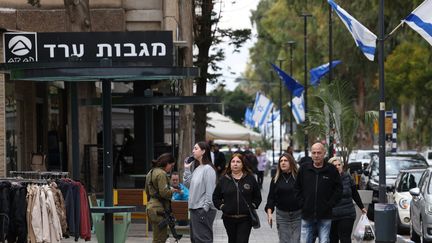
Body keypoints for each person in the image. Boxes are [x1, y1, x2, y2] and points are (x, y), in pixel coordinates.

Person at [294, 142, 342, 243]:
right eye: (314, 153)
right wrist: (302, 204)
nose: (316, 155)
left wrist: (330, 204)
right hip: (307, 214)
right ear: (311, 154)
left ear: (324, 153)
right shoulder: (304, 169)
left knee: (324, 241)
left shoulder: (331, 169)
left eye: (319, 153)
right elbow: (297, 188)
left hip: (325, 215)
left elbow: (338, 189)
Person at [213, 153, 262, 243]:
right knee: (232, 241)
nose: (235, 164)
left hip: (245, 218)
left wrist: (253, 205)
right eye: (233, 161)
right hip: (228, 218)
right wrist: (222, 207)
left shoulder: (250, 178)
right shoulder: (223, 179)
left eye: (238, 162)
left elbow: (257, 197)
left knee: (242, 241)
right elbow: (216, 197)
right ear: (230, 164)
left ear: (243, 164)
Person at [183, 141, 217, 243]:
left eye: (196, 148)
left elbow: (210, 191)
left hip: (202, 209)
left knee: (202, 239)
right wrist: (187, 169)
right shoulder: (198, 168)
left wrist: (205, 208)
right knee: (195, 239)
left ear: (203, 151)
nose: (193, 151)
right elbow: (187, 185)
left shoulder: (208, 169)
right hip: (194, 209)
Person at [329, 157, 367, 243]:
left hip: (347, 213)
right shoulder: (326, 179)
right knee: (333, 239)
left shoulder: (347, 177)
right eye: (335, 165)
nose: (337, 167)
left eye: (339, 165)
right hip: (332, 214)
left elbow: (355, 193)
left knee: (345, 238)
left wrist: (362, 207)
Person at [265, 152, 302, 243]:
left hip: (298, 215)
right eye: (281, 161)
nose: (283, 163)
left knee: (296, 241)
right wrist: (269, 214)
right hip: (282, 215)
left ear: (291, 162)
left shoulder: (299, 177)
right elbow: (271, 198)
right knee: (284, 240)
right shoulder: (275, 179)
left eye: (286, 160)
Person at [144, 153, 179, 243]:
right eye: (171, 165)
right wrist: (172, 191)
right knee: (160, 239)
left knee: (157, 238)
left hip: (151, 207)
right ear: (166, 163)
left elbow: (147, 191)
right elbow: (164, 193)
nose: (171, 168)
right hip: (159, 209)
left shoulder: (150, 172)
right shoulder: (162, 174)